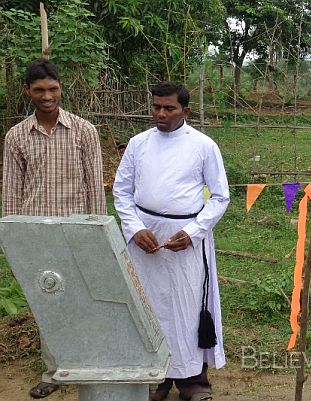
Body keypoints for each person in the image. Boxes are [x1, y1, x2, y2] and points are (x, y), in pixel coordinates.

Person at [112, 81, 229, 401]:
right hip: (144, 236)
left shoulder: (204, 146)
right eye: (155, 107)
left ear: (185, 111)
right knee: (147, 305)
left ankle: (193, 380)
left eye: (168, 108)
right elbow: (121, 192)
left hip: (185, 239)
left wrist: (193, 233)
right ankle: (156, 377)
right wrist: (134, 228)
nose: (160, 114)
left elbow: (220, 197)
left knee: (188, 307)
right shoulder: (138, 144)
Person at [2, 58, 107, 398]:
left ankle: (88, 364)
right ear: (27, 92)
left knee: (84, 300)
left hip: (77, 231)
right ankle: (54, 371)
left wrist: (97, 233)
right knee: (47, 301)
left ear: (61, 88)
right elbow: (11, 193)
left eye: (52, 89)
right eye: (39, 90)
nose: (47, 96)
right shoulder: (16, 136)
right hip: (36, 235)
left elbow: (95, 187)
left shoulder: (84, 130)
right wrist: (12, 240)